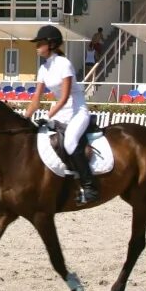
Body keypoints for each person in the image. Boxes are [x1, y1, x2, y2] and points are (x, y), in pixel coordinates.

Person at [23, 24, 97, 205]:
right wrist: (24, 117)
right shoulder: (43, 69)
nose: (37, 47)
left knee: (70, 142)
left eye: (39, 43)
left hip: (77, 111)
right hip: (60, 113)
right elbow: (36, 99)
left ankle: (89, 187)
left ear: (51, 44)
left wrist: (47, 117)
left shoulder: (64, 64)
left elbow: (64, 98)